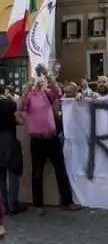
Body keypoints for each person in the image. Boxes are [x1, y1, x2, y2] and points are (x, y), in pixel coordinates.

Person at [19, 65, 80, 215]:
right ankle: (38, 205)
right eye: (35, 83)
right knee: (37, 173)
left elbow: (56, 91)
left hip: (51, 138)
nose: (38, 85)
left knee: (61, 170)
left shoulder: (46, 94)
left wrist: (47, 75)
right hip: (37, 140)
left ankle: (67, 201)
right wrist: (27, 87)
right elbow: (21, 106)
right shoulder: (29, 98)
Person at [0, 86, 24, 216]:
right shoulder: (10, 104)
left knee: (1, 178)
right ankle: (13, 204)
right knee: (14, 172)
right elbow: (20, 120)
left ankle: (4, 205)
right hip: (9, 140)